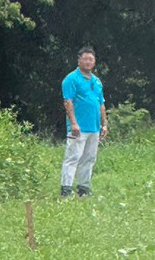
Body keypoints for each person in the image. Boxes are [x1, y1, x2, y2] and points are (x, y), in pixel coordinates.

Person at [60, 46, 108, 197]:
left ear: (94, 62)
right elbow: (68, 102)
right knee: (73, 157)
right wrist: (73, 123)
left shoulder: (97, 81)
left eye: (91, 59)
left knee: (89, 158)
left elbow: (101, 104)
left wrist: (104, 124)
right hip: (78, 127)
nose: (88, 62)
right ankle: (66, 190)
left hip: (94, 128)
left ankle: (84, 189)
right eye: (85, 59)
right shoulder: (71, 79)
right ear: (79, 60)